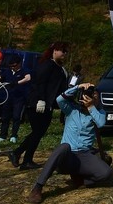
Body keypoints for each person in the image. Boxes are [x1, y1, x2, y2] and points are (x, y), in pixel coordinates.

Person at [26, 82, 112, 204]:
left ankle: (81, 180)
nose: (92, 97)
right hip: (67, 155)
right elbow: (59, 99)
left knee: (106, 173)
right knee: (63, 147)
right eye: (89, 95)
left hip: (84, 154)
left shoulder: (100, 112)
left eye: (95, 96)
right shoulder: (72, 109)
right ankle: (38, 187)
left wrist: (91, 107)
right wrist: (78, 87)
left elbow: (101, 123)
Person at [8, 42, 68, 170]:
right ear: (55, 51)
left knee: (38, 132)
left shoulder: (59, 68)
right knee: (38, 132)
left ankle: (18, 153)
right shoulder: (47, 65)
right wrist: (41, 100)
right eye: (63, 51)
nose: (65, 54)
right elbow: (40, 83)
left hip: (48, 104)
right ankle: (26, 160)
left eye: (66, 51)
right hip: (37, 103)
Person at [0, 55, 31, 143]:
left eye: (14, 66)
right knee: (5, 117)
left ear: (19, 64)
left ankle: (14, 135)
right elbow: (0, 77)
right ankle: (2, 136)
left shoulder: (24, 71)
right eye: (11, 66)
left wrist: (17, 82)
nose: (12, 67)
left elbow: (28, 78)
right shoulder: (8, 71)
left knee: (16, 117)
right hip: (8, 97)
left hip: (19, 98)